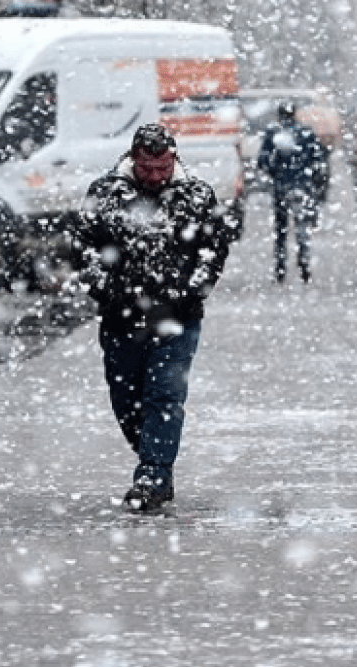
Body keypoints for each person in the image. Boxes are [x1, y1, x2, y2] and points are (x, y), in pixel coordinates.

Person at [73, 123, 235, 512]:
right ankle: (152, 453)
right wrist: (104, 289)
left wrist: (190, 292)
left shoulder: (197, 196)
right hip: (121, 317)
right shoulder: (105, 194)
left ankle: (153, 476)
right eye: (147, 168)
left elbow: (213, 251)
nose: (155, 177)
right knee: (126, 400)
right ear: (133, 160)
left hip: (177, 318)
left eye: (162, 168)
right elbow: (82, 247)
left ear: (173, 159)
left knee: (164, 395)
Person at [258, 103, 329, 283]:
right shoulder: (306, 133)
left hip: (281, 187)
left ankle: (280, 268)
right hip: (303, 187)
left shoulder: (273, 133)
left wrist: (275, 172)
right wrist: (312, 180)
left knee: (281, 229)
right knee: (302, 226)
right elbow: (318, 160)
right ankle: (304, 263)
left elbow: (263, 161)